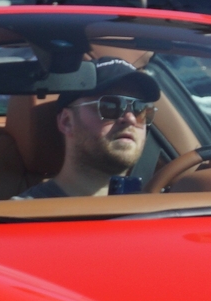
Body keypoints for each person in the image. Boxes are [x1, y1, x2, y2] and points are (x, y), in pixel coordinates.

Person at [17, 59, 159, 200]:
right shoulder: (22, 217)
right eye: (109, 106)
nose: (131, 119)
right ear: (67, 122)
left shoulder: (157, 208)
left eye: (140, 110)